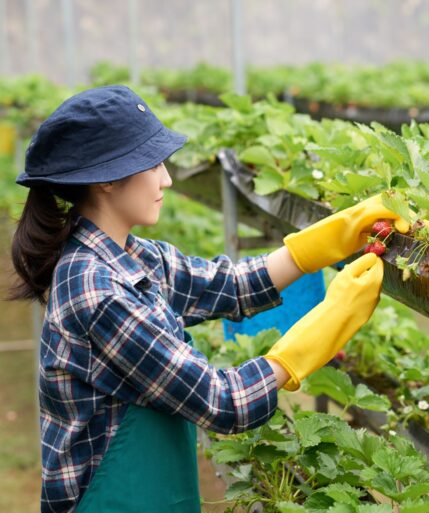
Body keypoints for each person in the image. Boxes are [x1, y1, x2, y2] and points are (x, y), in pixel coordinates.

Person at [8, 85, 407, 513]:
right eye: (152, 163)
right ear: (106, 178)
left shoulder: (133, 256)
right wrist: (322, 330)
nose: (166, 178)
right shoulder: (97, 290)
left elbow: (230, 285)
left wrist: (326, 240)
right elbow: (223, 402)